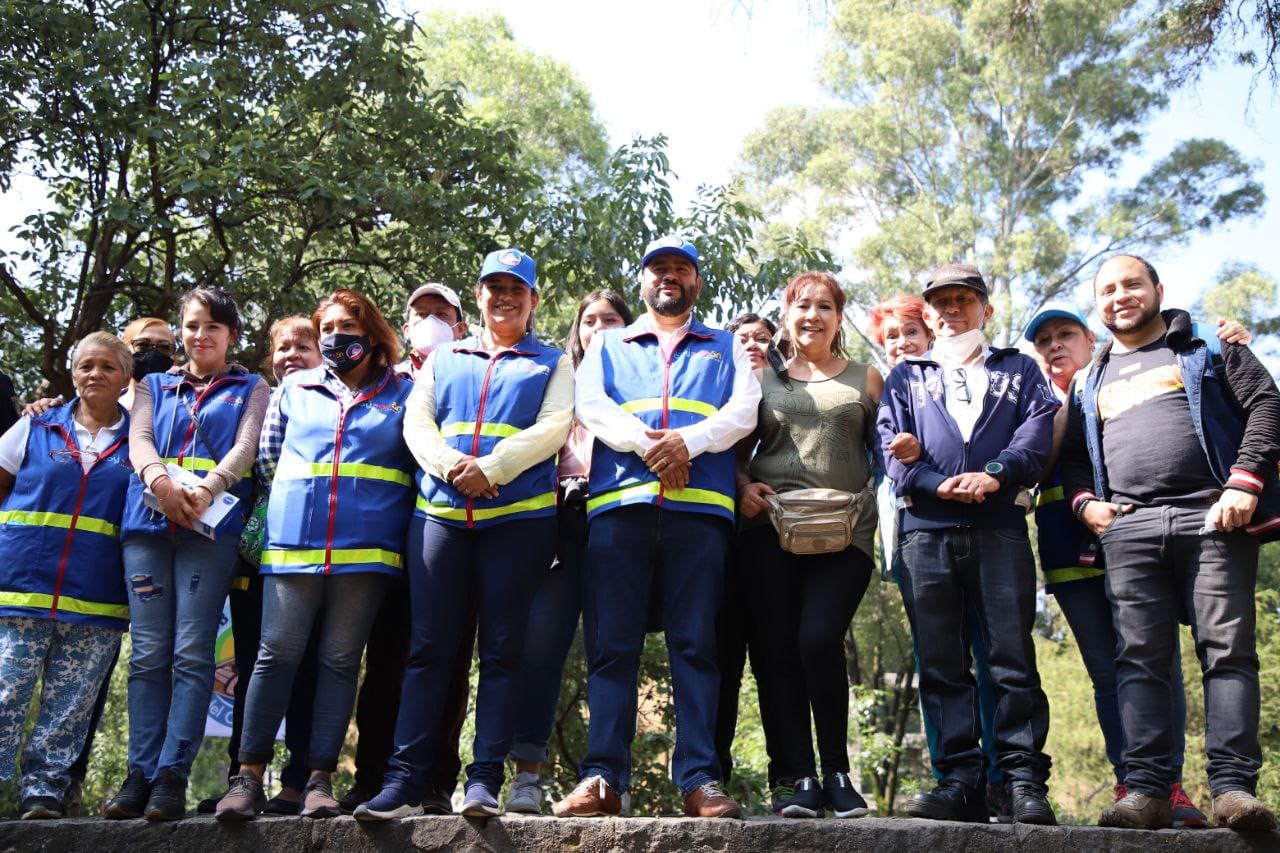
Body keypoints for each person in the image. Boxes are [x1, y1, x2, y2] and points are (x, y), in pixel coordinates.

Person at [1062, 254, 1280, 831]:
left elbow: (1268, 404)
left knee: (1227, 652)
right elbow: (1076, 459)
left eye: (1132, 284)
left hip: (1214, 518)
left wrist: (1245, 480)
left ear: (1158, 289)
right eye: (1107, 290)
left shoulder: (1209, 348)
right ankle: (1150, 791)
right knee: (1139, 659)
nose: (1120, 296)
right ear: (1099, 304)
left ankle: (1233, 791)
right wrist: (1087, 505)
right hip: (1128, 528)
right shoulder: (1091, 377)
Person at [356, 248, 572, 820]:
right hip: (440, 520)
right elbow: (417, 422)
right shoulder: (445, 358)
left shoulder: (552, 362)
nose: (504, 297)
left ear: (533, 299)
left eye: (516, 289)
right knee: (427, 651)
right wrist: (453, 467)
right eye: (493, 286)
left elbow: (553, 427)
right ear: (477, 296)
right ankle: (403, 783)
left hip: (519, 523)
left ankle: (483, 783)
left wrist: (493, 468)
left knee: (502, 652)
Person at [554, 235, 760, 819]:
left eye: (680, 269)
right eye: (658, 269)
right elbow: (590, 405)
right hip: (620, 508)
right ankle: (602, 778)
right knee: (611, 648)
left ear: (696, 282)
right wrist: (651, 448)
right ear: (643, 280)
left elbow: (742, 412)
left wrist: (685, 443)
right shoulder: (610, 346)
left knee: (695, 645)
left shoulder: (726, 347)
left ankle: (699, 778)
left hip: (699, 513)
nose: (668, 277)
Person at [1026, 301, 1249, 829]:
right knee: (1111, 672)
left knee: (1159, 662)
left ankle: (1170, 788)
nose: (1055, 346)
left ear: (1092, 339)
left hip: (1142, 538)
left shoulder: (1131, 374)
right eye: (1043, 342)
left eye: (1065, 335)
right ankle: (1133, 782)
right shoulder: (1038, 402)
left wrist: (1225, 340)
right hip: (1071, 547)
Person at [214, 290, 416, 821]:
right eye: (324, 329)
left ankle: (318, 781)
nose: (333, 339)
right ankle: (246, 779)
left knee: (339, 661)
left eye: (345, 326)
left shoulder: (407, 392)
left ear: (372, 332)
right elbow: (270, 459)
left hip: (368, 550)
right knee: (275, 655)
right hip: (292, 545)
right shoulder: (294, 388)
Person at [876, 263, 1057, 825]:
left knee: (1010, 656)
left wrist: (996, 472)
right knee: (942, 661)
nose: (953, 310)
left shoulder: (1019, 369)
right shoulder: (906, 377)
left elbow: (1037, 429)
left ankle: (1023, 781)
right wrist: (935, 481)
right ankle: (958, 780)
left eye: (964, 299)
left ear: (986, 308)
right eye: (942, 302)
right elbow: (892, 452)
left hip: (999, 526)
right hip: (925, 531)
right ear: (928, 313)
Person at [104, 286, 269, 821]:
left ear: (231, 336)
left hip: (209, 528)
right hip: (147, 525)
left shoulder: (252, 386)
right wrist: (160, 482)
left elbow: (246, 449)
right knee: (149, 653)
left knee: (192, 653)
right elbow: (140, 439)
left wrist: (206, 490)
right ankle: (139, 774)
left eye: (213, 328)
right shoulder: (153, 384)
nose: (201, 336)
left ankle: (172, 776)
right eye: (193, 326)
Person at [736, 272, 880, 819]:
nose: (812, 316)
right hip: (768, 532)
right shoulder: (758, 379)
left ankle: (838, 773)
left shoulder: (868, 379)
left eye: (825, 306)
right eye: (802, 306)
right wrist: (742, 486)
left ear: (839, 318)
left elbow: (887, 453)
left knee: (818, 640)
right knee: (776, 654)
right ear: (787, 315)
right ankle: (800, 779)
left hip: (846, 536)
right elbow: (733, 447)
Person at [867, 294, 1009, 818]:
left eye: (910, 332)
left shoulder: (958, 390)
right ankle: (952, 778)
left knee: (995, 655)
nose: (901, 343)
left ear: (930, 336)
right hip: (911, 539)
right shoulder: (883, 398)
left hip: (978, 533)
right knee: (938, 660)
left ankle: (1000, 778)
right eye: (891, 337)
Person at [340, 281, 474, 815]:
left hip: (454, 540)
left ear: (461, 326)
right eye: (420, 314)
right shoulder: (384, 385)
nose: (431, 321)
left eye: (441, 314)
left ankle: (437, 781)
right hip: (387, 544)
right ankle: (373, 776)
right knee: (387, 663)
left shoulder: (472, 376)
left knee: (450, 659)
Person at [505, 289, 635, 815]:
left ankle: (609, 779)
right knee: (539, 648)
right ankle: (526, 775)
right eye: (589, 320)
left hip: (619, 519)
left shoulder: (638, 380)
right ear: (575, 330)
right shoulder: (556, 377)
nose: (598, 327)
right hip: (557, 520)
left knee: (611, 648)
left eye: (611, 319)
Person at [194, 316, 324, 816]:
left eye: (304, 346)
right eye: (282, 347)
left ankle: (298, 781)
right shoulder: (259, 399)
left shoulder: (334, 402)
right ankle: (240, 779)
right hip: (254, 553)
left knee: (311, 665)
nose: (292, 354)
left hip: (316, 554)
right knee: (252, 664)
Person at [0, 333, 134, 819]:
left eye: (107, 367)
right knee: (4, 693)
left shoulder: (140, 441)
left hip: (97, 600)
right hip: (19, 591)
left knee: (70, 708)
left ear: (125, 379)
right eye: (86, 366)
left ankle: (43, 793)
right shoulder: (33, 427)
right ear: (73, 374)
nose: (94, 374)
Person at [712, 311, 776, 788]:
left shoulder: (790, 392)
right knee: (719, 662)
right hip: (715, 542)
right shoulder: (715, 386)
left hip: (776, 545)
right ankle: (709, 772)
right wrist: (740, 486)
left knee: (777, 661)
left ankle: (790, 777)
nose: (753, 343)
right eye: (744, 337)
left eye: (763, 338)